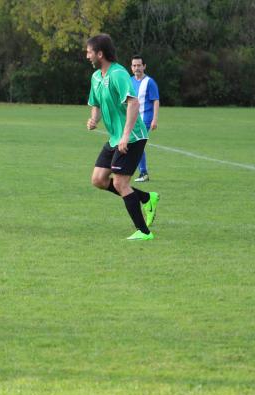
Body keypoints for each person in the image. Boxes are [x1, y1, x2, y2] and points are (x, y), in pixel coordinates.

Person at [86, 34, 160, 241]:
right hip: (115, 138)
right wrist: (93, 120)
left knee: (120, 183)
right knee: (99, 180)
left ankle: (144, 232)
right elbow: (96, 104)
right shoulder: (96, 77)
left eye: (89, 51)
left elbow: (133, 103)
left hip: (133, 137)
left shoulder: (118, 74)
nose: (87, 55)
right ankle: (146, 198)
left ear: (100, 54)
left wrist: (125, 136)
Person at [130, 55, 159, 182]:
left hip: (145, 119)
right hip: (132, 119)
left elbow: (155, 101)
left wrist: (155, 119)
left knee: (137, 144)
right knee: (134, 145)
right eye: (134, 65)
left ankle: (143, 173)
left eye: (139, 65)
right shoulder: (129, 81)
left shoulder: (149, 82)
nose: (137, 68)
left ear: (144, 66)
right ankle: (140, 172)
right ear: (131, 67)